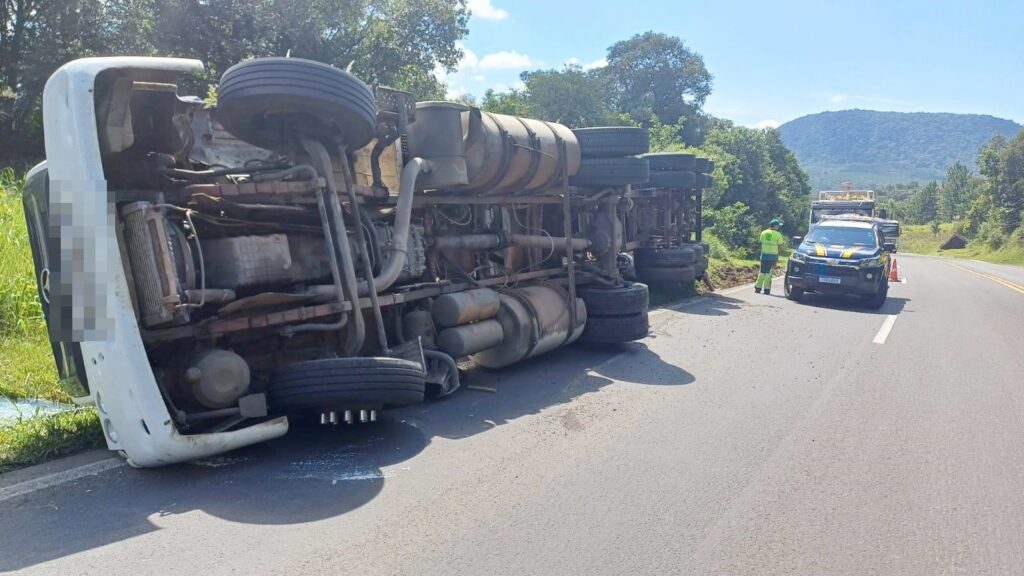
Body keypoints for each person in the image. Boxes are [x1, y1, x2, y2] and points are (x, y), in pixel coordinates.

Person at [756, 219, 785, 295]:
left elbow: (761, 242)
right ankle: (766, 289)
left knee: (762, 272)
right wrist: (777, 251)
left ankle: (758, 288)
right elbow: (781, 246)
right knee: (769, 273)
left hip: (764, 256)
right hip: (773, 257)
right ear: (775, 226)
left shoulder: (763, 233)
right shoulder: (778, 234)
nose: (778, 227)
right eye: (778, 226)